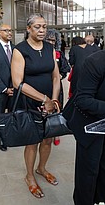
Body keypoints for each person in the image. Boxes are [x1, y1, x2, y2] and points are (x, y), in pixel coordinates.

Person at [11, 14, 61, 198]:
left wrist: (54, 101)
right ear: (29, 29)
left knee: (48, 139)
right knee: (33, 141)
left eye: (44, 27)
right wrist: (44, 100)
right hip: (30, 102)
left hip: (49, 103)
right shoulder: (20, 50)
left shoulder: (49, 48)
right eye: (38, 27)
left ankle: (41, 168)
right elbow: (18, 83)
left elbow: (56, 76)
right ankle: (30, 176)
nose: (42, 30)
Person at [64, 44, 105, 205]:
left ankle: (103, 201)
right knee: (89, 170)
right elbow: (82, 100)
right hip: (89, 122)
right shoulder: (96, 62)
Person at [45, 28, 70, 145]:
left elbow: (66, 68)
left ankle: (57, 133)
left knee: (57, 107)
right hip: (43, 86)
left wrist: (60, 75)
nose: (51, 42)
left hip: (56, 86)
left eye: (53, 40)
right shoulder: (40, 53)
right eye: (49, 40)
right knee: (44, 108)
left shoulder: (59, 54)